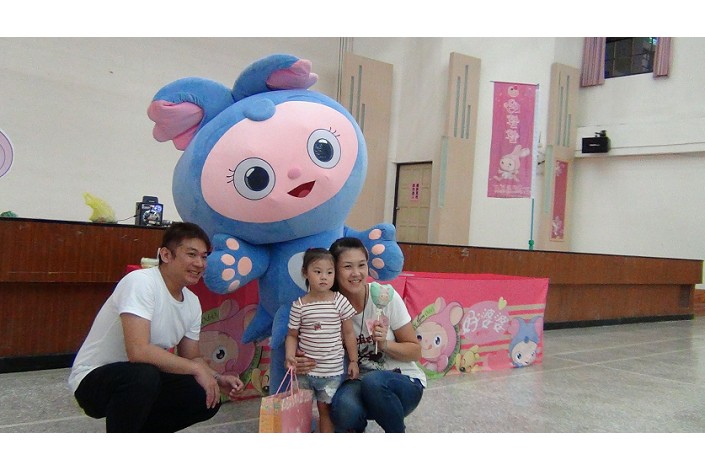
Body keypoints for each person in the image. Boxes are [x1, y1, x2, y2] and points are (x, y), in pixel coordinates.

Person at [67, 221, 244, 432]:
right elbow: (138, 351)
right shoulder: (141, 282)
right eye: (191, 254)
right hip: (93, 380)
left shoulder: (192, 302)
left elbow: (191, 357)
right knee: (143, 375)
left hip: (143, 379)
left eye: (204, 257)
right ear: (166, 255)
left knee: (204, 395)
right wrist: (196, 369)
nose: (199, 263)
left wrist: (216, 378)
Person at [296, 237, 426, 432]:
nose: (356, 273)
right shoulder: (327, 307)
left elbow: (415, 351)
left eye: (362, 265)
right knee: (343, 408)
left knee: (374, 382)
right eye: (347, 266)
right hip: (360, 381)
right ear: (333, 270)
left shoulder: (384, 296)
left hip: (403, 382)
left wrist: (385, 344)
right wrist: (303, 360)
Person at [285, 248, 359, 433]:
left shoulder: (340, 301)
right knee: (300, 411)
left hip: (331, 372)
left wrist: (353, 361)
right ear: (305, 273)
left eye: (329, 272)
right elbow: (292, 335)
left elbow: (349, 334)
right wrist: (289, 357)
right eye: (317, 271)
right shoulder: (299, 306)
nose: (324, 277)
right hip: (304, 372)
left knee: (325, 411)